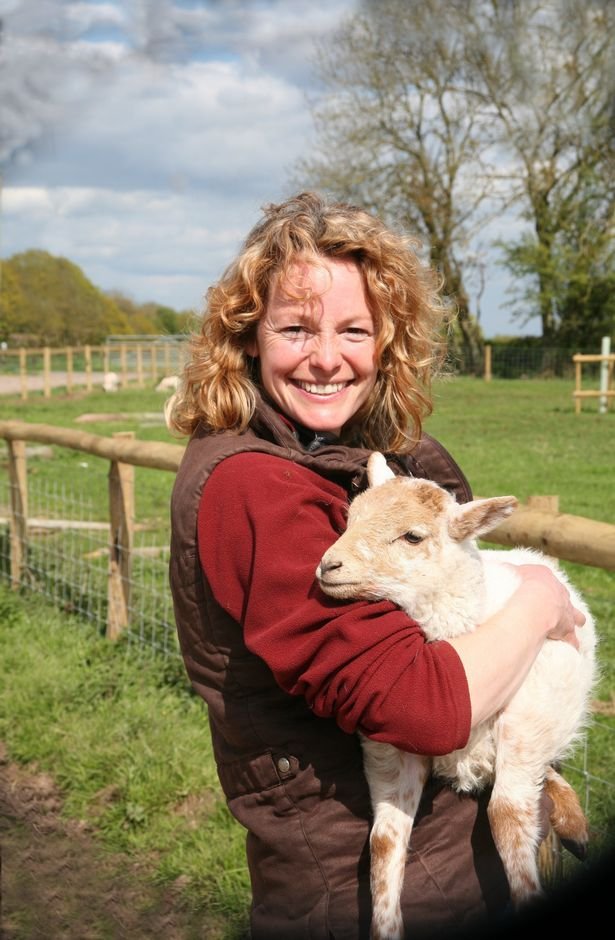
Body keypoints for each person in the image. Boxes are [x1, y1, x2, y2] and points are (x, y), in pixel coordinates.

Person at [167, 191, 584, 940]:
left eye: (353, 330)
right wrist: (541, 599)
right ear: (248, 337)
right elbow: (420, 706)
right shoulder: (255, 486)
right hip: (366, 889)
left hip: (460, 855)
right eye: (295, 328)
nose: (327, 357)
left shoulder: (381, 460)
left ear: (386, 341)